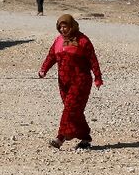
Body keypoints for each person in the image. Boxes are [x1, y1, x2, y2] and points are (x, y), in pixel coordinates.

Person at [38, 14, 103, 150]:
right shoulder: (58, 41)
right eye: (60, 27)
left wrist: (98, 77)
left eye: (65, 26)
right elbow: (51, 56)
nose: (63, 29)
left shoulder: (83, 41)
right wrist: (44, 69)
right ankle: (85, 137)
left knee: (69, 109)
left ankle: (60, 137)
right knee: (74, 111)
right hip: (63, 83)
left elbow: (93, 60)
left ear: (72, 26)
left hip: (80, 81)